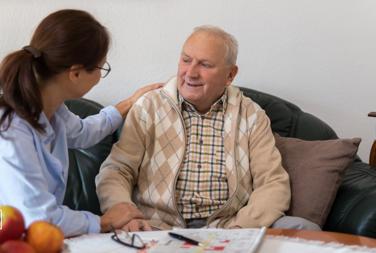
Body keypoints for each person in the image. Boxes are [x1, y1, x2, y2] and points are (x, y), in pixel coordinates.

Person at [96, 25, 321, 232]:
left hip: (231, 225)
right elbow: (117, 170)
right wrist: (124, 212)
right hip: (157, 227)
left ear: (230, 75)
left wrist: (240, 229)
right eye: (186, 60)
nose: (190, 73)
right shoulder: (150, 106)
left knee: (304, 228)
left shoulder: (251, 115)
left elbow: (272, 182)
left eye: (205, 65)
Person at [0, 9, 161, 237]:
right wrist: (103, 221)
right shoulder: (12, 132)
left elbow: (84, 132)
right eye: (100, 68)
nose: (99, 76)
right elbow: (40, 218)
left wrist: (131, 101)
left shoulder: (52, 108)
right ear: (75, 73)